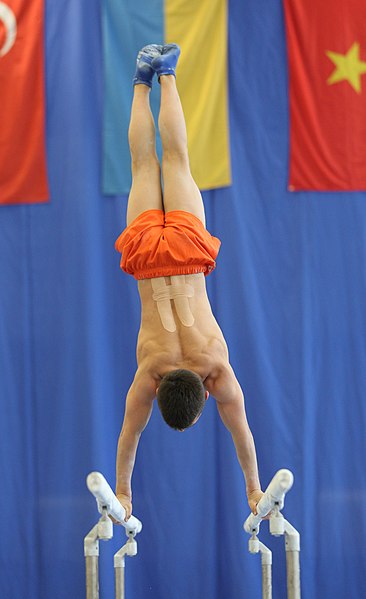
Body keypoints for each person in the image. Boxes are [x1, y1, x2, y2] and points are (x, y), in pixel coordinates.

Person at [114, 44, 263, 521]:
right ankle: (142, 78)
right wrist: (123, 491)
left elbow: (242, 433)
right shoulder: (149, 373)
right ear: (160, 394)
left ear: (204, 396)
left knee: (176, 159)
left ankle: (168, 73)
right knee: (143, 164)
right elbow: (129, 438)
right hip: (146, 259)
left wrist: (254, 489)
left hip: (187, 256)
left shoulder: (216, 369)